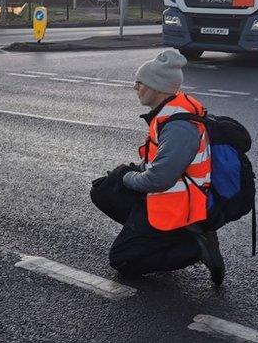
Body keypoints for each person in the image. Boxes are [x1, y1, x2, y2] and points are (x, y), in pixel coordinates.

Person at [90, 49, 225, 285]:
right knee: (103, 188)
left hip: (178, 203)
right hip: (166, 194)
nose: (135, 87)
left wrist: (127, 178)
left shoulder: (178, 127)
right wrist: (125, 174)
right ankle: (158, 238)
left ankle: (194, 245)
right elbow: (156, 164)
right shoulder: (167, 113)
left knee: (122, 261)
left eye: (139, 82)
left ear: (156, 87)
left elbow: (159, 179)